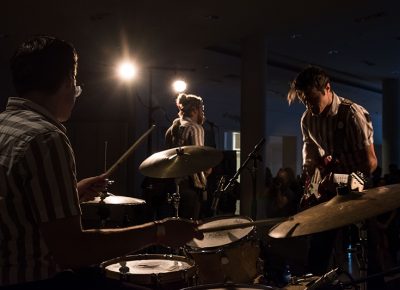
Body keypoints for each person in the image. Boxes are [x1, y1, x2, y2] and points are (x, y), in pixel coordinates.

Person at [0, 35, 203, 289]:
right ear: (66, 82)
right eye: (75, 81)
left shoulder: (6, 126)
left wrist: (72, 192)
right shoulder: (45, 138)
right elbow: (73, 251)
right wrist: (159, 231)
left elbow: (15, 209)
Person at [287, 66, 377, 276]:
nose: (309, 106)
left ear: (327, 88)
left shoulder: (351, 114)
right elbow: (309, 149)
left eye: (311, 98)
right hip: (329, 189)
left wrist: (341, 180)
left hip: (358, 186)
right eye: (304, 101)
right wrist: (310, 170)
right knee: (318, 252)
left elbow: (370, 163)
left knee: (372, 256)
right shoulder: (307, 119)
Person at [165, 93, 209, 219]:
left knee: (174, 227)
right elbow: (198, 158)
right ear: (195, 110)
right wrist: (207, 170)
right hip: (190, 185)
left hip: (172, 184)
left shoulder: (171, 130)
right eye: (202, 109)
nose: (203, 113)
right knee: (189, 229)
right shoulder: (195, 128)